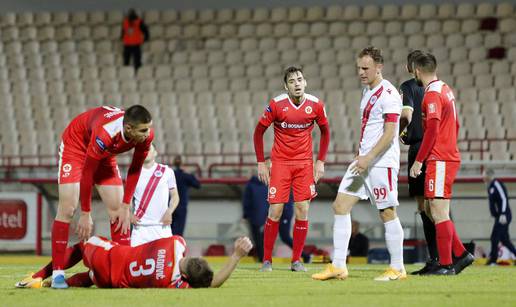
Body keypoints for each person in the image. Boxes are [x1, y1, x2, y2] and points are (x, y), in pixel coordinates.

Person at [312, 46, 406, 282]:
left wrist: (369, 157)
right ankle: (339, 266)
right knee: (340, 205)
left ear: (379, 67)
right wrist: (361, 154)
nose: (361, 72)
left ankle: (398, 268)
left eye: (366, 68)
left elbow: (390, 133)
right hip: (363, 161)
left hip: (380, 163)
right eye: (359, 68)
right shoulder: (367, 91)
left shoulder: (389, 94)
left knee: (386, 211)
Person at [50, 105, 154, 288]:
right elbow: (88, 173)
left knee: (117, 211)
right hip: (77, 147)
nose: (148, 133)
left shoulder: (146, 136)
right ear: (128, 128)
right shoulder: (106, 133)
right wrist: (85, 213)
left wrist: (126, 205)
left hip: (104, 154)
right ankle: (57, 273)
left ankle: (122, 268)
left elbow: (135, 168)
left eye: (149, 128)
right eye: (143, 130)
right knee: (67, 209)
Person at [253, 66, 330, 272]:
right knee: (276, 211)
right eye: (292, 81)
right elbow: (258, 132)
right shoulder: (276, 105)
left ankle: (296, 261)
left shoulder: (315, 105)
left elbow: (325, 131)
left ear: (305, 82)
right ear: (285, 86)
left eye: (300, 80)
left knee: (302, 210)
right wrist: (261, 162)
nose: (297, 84)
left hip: (304, 164)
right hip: (280, 164)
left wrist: (320, 161)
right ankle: (267, 260)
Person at [409, 52, 474, 275]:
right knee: (430, 207)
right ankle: (462, 255)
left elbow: (433, 130)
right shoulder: (444, 88)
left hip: (440, 157)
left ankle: (446, 264)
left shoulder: (432, 95)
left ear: (417, 71)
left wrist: (419, 160)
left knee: (438, 211)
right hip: (444, 155)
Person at [15, 236, 253, 289]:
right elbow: (212, 284)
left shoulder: (176, 243)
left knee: (80, 246)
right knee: (89, 278)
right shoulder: (173, 284)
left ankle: (39, 276)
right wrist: (236, 258)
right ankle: (47, 286)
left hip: (107, 256)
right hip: (110, 281)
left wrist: (236, 252)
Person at [399, 50, 439, 275]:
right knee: (436, 204)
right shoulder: (437, 87)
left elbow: (406, 114)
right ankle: (445, 254)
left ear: (411, 68)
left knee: (425, 207)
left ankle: (436, 257)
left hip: (418, 150)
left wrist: (399, 132)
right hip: (436, 148)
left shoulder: (407, 86)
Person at [242, 157, 311, 263]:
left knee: (285, 237)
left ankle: (302, 256)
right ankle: (265, 259)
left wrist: (287, 212)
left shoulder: (282, 178)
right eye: (268, 165)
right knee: (262, 238)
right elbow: (249, 201)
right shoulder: (254, 185)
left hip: (283, 214)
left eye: (271, 164)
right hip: (264, 217)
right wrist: (248, 215)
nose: (270, 167)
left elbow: (289, 197)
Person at [131, 144, 179, 247]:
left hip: (162, 227)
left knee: (166, 263)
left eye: (148, 149)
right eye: (143, 149)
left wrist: (170, 212)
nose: (146, 152)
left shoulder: (167, 171)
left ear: (155, 153)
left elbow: (175, 196)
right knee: (136, 262)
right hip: (140, 229)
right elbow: (127, 199)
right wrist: (129, 215)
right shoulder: (133, 173)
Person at [483, 169, 516, 265]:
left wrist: (502, 213)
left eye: (484, 175)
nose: (483, 178)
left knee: (494, 237)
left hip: (504, 216)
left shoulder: (497, 184)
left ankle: (493, 260)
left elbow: (504, 198)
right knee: (504, 240)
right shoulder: (490, 187)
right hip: (499, 216)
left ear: (489, 175)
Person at [171, 155, 201, 236]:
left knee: (169, 230)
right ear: (183, 163)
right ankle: (177, 247)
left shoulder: (170, 174)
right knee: (179, 231)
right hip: (181, 206)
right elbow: (197, 185)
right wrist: (190, 174)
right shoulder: (186, 175)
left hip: (170, 205)